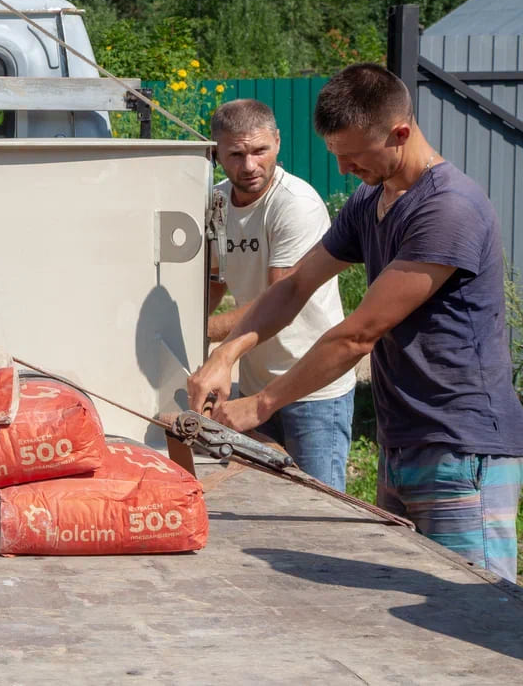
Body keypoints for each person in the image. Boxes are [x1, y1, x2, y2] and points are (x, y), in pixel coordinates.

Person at [188, 63, 523, 583]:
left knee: (471, 605)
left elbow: (358, 335)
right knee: (395, 597)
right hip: (403, 437)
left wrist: (260, 404)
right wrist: (226, 355)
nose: (344, 169)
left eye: (353, 155)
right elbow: (294, 286)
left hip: (460, 446)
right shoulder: (371, 200)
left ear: (399, 134)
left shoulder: (448, 209)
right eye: (336, 154)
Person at [207, 99, 355, 491]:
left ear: (278, 141)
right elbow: (215, 280)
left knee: (320, 504)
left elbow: (281, 298)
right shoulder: (217, 201)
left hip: (312, 388)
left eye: (260, 150)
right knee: (264, 498)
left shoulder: (295, 204)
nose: (249, 165)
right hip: (255, 384)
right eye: (235, 154)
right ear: (216, 151)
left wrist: (207, 335)